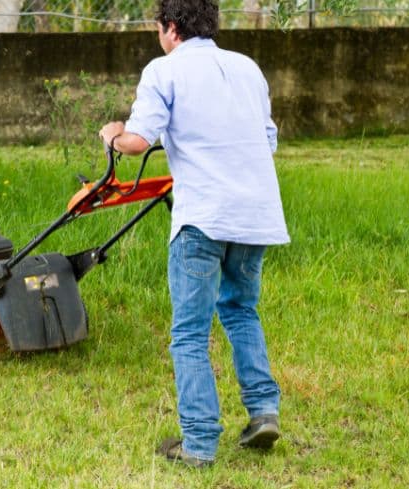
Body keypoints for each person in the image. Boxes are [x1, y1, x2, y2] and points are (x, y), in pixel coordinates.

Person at [99, 0, 290, 468]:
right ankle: (263, 412)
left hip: (203, 217)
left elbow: (139, 140)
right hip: (256, 215)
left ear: (170, 28)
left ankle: (199, 445)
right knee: (241, 308)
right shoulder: (247, 68)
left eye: (158, 28)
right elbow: (266, 139)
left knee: (189, 333)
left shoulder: (163, 71)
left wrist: (112, 135)